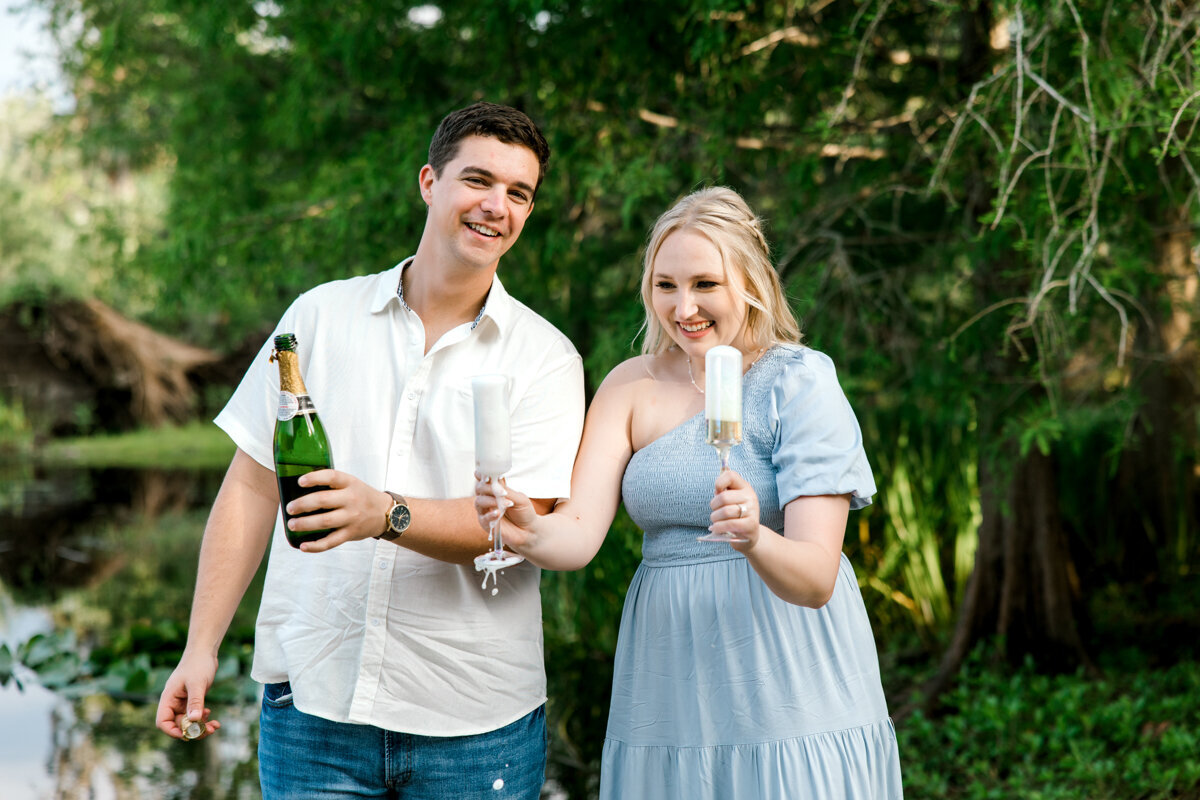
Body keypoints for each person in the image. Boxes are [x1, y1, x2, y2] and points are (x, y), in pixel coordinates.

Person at [155, 102, 586, 799]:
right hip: (314, 708)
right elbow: (252, 487)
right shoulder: (319, 317)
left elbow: (516, 524)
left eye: (519, 193)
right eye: (478, 180)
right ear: (428, 182)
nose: (496, 206)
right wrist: (200, 648)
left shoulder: (545, 359)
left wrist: (385, 513)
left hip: (474, 723)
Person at [476, 186, 903, 798]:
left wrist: (754, 537)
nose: (684, 308)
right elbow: (577, 536)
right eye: (665, 285)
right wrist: (527, 526)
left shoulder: (799, 382)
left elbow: (815, 578)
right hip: (669, 669)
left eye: (706, 284)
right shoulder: (630, 384)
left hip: (786, 672)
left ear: (750, 283)